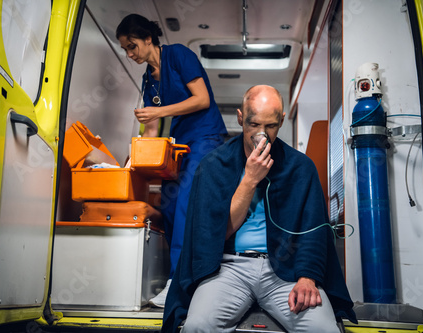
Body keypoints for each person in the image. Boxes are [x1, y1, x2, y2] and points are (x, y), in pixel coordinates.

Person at [162, 85, 357, 332]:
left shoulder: (301, 168)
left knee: (324, 329)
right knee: (197, 326)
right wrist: (250, 179)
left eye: (271, 126)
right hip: (229, 268)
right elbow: (214, 235)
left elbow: (313, 229)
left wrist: (307, 277)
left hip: (286, 272)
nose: (262, 135)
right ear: (241, 118)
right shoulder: (213, 165)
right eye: (254, 125)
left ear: (281, 121)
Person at [116, 14, 227, 307]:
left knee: (185, 205)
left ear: (148, 38)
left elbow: (202, 99)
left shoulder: (179, 55)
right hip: (178, 145)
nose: (130, 54)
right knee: (167, 203)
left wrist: (158, 113)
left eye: (132, 46)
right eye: (125, 50)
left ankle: (178, 285)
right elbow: (151, 128)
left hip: (205, 137)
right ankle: (177, 279)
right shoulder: (147, 79)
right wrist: (134, 161)